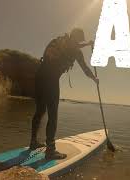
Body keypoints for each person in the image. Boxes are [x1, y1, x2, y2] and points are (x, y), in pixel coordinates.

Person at [29, 28, 98, 160]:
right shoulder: (76, 52)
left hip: (39, 76)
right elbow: (85, 69)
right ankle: (50, 151)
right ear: (78, 39)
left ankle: (33, 142)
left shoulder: (58, 42)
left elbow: (68, 46)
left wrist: (88, 44)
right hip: (51, 80)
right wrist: (94, 79)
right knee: (53, 115)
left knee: (40, 111)